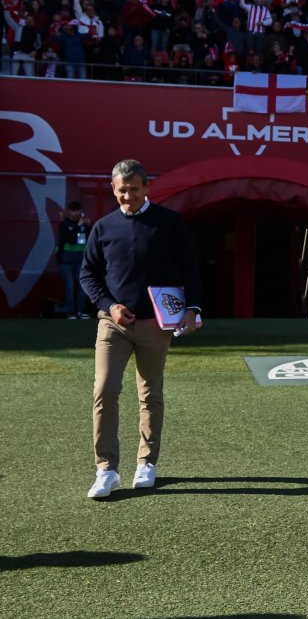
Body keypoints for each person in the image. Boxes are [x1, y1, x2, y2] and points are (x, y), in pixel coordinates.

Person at [79, 160, 202, 499]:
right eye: (122, 190)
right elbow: (87, 275)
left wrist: (192, 308)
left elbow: (189, 267)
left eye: (134, 189)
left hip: (155, 324)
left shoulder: (169, 223)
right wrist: (110, 306)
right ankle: (106, 468)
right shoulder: (102, 227)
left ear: (147, 188)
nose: (128, 196)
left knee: (150, 394)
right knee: (104, 390)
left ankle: (146, 462)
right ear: (113, 189)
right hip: (113, 324)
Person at [57, 201, 91, 319]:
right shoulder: (65, 223)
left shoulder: (83, 223)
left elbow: (90, 238)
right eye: (73, 210)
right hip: (66, 261)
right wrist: (78, 226)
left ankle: (80, 311)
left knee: (82, 286)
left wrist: (88, 225)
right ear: (69, 211)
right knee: (70, 286)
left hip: (80, 261)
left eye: (78, 210)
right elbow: (67, 237)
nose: (76, 213)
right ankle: (70, 311)